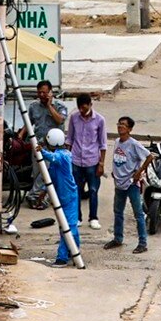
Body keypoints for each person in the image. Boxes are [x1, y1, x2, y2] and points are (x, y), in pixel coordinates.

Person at [105, 115, 148, 252]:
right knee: (118, 212)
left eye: (123, 124)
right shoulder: (117, 141)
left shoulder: (134, 144)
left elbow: (149, 156)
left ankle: (142, 242)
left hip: (130, 184)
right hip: (119, 184)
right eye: (119, 123)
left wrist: (138, 172)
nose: (119, 126)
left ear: (129, 129)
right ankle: (118, 238)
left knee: (138, 214)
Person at [66, 92, 109, 230]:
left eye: (85, 108)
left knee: (93, 190)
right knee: (76, 190)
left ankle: (93, 217)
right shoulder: (74, 118)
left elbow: (103, 144)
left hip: (92, 160)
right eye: (80, 109)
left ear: (90, 105)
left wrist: (101, 164)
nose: (82, 111)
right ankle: (77, 217)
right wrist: (67, 157)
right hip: (76, 160)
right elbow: (69, 139)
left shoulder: (100, 120)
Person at [42, 127, 81, 266]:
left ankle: (63, 257)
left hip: (69, 197)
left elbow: (52, 157)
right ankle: (72, 250)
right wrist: (43, 191)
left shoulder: (64, 156)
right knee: (65, 228)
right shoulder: (57, 161)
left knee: (69, 228)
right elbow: (50, 178)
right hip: (61, 198)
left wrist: (40, 151)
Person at [25, 80, 67, 147]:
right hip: (39, 145)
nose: (41, 95)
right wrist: (20, 136)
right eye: (39, 92)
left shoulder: (60, 106)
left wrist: (49, 106)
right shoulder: (33, 106)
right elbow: (28, 124)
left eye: (44, 92)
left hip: (55, 146)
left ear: (50, 92)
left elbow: (60, 121)